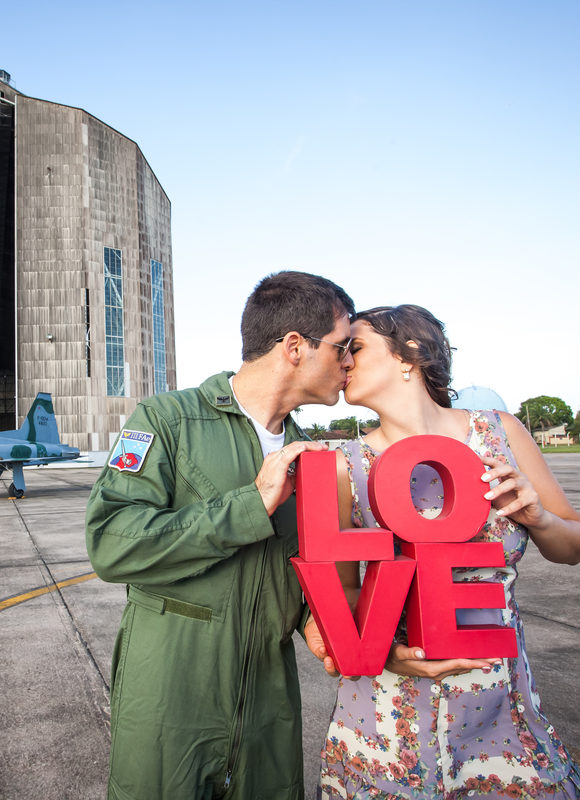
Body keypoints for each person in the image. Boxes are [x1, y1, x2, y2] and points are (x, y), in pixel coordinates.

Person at [86, 271, 356, 800]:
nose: (350, 362)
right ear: (295, 347)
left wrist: (313, 620)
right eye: (343, 347)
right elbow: (112, 542)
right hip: (171, 697)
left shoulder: (311, 456)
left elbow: (297, 566)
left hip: (269, 707)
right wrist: (249, 505)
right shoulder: (166, 419)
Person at [305, 304, 580, 799]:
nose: (343, 361)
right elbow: (343, 592)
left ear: (409, 356)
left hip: (497, 696)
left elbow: (574, 547)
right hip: (386, 702)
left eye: (356, 347)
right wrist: (385, 654)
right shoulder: (341, 466)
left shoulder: (500, 433)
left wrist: (537, 518)